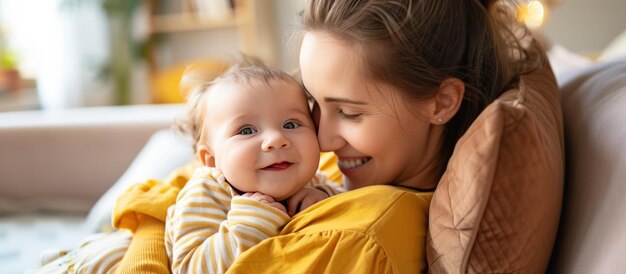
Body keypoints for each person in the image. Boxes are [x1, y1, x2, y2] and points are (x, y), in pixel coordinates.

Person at [42, 0, 547, 272]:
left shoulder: (360, 238)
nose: (321, 138)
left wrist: (146, 251)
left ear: (441, 102)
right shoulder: (356, 167)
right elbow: (183, 184)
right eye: (313, 107)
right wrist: (150, 242)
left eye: (349, 112)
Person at [164, 60, 343, 273]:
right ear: (211, 160)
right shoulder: (207, 193)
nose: (276, 139)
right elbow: (188, 269)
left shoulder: (312, 181)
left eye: (291, 124)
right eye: (247, 131)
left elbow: (350, 206)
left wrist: (325, 197)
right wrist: (250, 224)